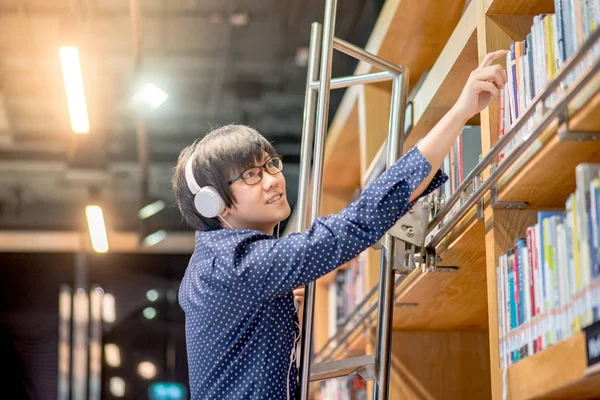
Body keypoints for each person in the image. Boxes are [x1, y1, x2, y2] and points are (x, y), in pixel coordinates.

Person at [172, 49, 508, 400]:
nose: (272, 179)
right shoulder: (234, 265)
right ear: (214, 202)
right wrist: (461, 112)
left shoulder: (218, 265)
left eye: (271, 164)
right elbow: (355, 224)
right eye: (251, 175)